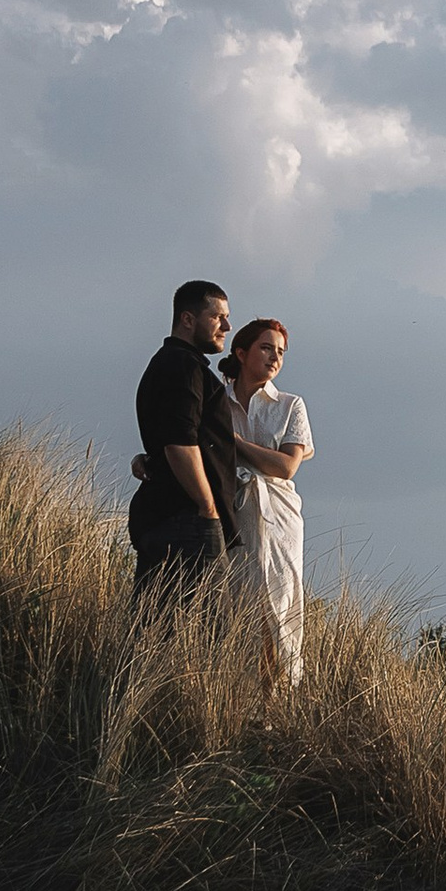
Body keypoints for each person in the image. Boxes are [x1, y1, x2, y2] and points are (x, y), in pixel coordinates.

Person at [129, 278, 248, 599]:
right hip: (187, 521)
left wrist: (146, 458)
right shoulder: (182, 366)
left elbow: (170, 437)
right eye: (217, 317)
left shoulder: (172, 364)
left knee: (155, 630)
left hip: (168, 516)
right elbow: (180, 444)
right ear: (187, 319)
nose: (227, 325)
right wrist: (208, 507)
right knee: (209, 634)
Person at [223, 316, 313, 680]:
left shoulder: (290, 405)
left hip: (279, 514)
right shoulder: (217, 401)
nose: (275, 357)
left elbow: (287, 466)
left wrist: (233, 443)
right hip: (233, 509)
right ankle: (241, 695)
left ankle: (277, 696)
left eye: (280, 351)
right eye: (266, 348)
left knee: (279, 599)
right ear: (242, 353)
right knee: (235, 600)